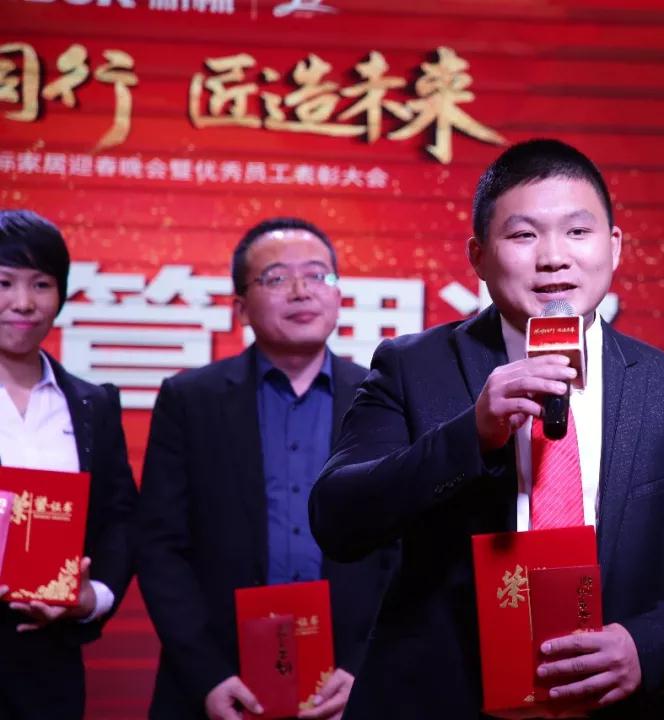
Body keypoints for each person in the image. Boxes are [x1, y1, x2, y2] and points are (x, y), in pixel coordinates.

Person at [309, 139, 664, 719]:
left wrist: (647, 646)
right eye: (523, 235)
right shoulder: (411, 366)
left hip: (615, 704)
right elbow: (339, 519)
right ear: (478, 256)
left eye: (577, 232)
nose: (553, 257)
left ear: (613, 246)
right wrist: (470, 436)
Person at [136, 217, 397, 720]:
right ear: (240, 307)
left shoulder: (383, 397)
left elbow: (403, 549)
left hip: (348, 685)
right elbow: (159, 546)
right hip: (218, 680)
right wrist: (207, 676)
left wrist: (362, 666)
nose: (301, 291)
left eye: (317, 274)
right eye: (276, 277)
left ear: (338, 293)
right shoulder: (190, 400)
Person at [0, 209, 138, 719]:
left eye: (41, 284)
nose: (23, 302)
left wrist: (91, 598)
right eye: (4, 283)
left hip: (48, 663)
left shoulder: (91, 404)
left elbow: (121, 517)